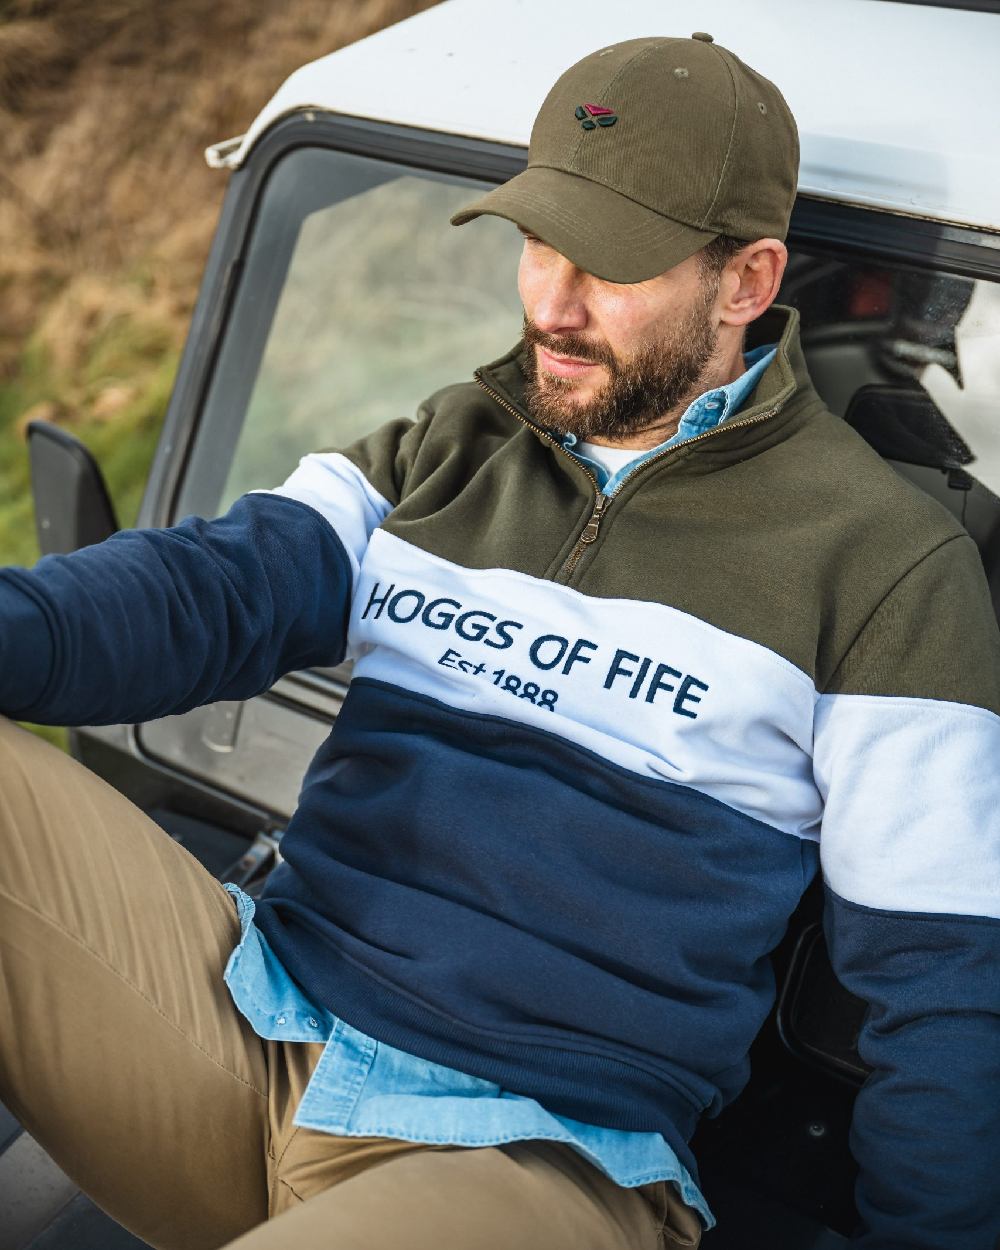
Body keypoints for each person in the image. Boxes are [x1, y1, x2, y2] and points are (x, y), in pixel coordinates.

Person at [0, 33, 997, 1250]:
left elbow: (945, 986)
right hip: (258, 1029)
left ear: (745, 282)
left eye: (610, 265)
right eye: (538, 240)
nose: (551, 304)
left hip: (541, 1158)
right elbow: (210, 590)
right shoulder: (456, 436)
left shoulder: (887, 564)